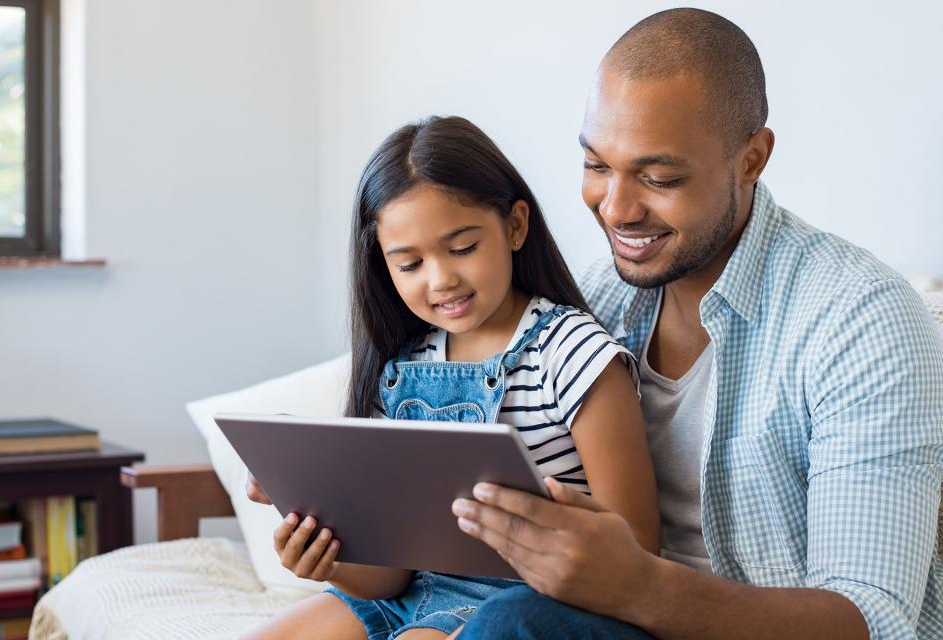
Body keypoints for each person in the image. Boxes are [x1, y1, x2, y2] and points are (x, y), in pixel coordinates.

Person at [448, 7, 943, 640]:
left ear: (751, 160)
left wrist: (640, 587)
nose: (617, 209)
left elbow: (874, 619)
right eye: (597, 166)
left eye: (659, 177)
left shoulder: (859, 319)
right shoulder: (590, 304)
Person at [243, 115, 660, 640]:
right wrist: (329, 558)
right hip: (413, 597)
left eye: (462, 248)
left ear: (514, 226)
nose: (441, 279)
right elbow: (391, 576)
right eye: (410, 264)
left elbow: (639, 549)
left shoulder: (572, 353)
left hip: (532, 601)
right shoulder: (401, 367)